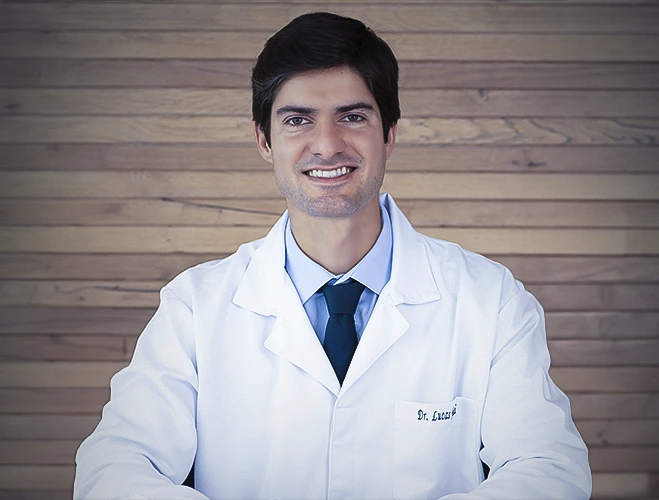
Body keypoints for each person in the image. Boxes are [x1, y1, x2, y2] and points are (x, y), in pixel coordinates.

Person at [74, 12, 591, 500]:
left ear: (389, 134)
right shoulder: (195, 306)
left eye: (353, 116)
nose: (326, 144)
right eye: (298, 119)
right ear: (264, 140)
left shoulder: (490, 300)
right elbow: (115, 470)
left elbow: (547, 469)